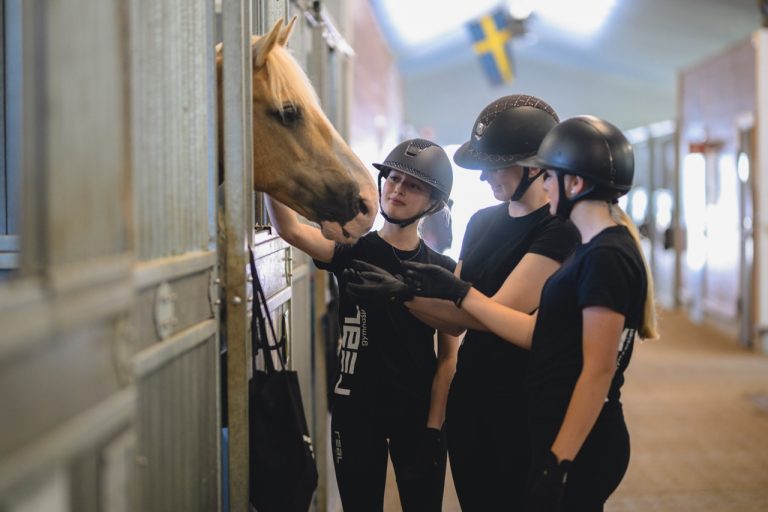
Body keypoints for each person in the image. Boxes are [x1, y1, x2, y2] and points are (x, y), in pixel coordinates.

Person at [350, 115, 658, 511]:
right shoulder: (594, 249)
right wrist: (412, 295)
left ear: (575, 183)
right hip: (530, 418)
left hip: (569, 433)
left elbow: (597, 372)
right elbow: (536, 330)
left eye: (550, 176)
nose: (546, 185)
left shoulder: (603, 257)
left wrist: (557, 461)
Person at [403, 94, 579, 511]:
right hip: (472, 403)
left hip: (524, 410)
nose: (484, 178)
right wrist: (399, 293)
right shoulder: (482, 222)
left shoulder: (561, 229)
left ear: (536, 166)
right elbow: (454, 322)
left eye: (494, 165)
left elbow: (498, 313)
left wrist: (435, 294)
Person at [265, 138, 460, 512]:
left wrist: (434, 430)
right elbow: (290, 230)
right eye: (393, 179)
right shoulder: (354, 249)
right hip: (355, 412)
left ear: (433, 202)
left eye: (413, 185)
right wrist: (270, 171)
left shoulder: (442, 271)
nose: (397, 190)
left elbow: (448, 358)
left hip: (417, 415)